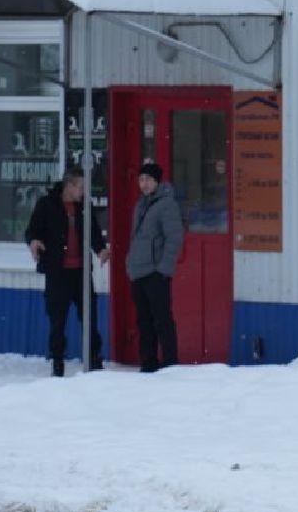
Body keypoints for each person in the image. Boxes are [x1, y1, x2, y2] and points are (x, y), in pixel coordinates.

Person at [24, 165, 109, 377]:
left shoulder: (84, 206)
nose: (83, 191)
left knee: (89, 318)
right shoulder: (47, 204)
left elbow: (94, 232)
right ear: (69, 186)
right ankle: (57, 361)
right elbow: (32, 230)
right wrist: (34, 241)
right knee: (57, 321)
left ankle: (94, 358)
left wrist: (100, 250)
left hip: (81, 273)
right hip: (58, 273)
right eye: (80, 187)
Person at [126, 160, 184, 373]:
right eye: (141, 179)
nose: (144, 184)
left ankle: (170, 363)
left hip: (156, 273)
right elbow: (137, 238)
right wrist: (130, 264)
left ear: (157, 181)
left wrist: (164, 269)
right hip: (138, 272)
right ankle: (148, 363)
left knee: (162, 320)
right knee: (144, 321)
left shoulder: (166, 204)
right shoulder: (140, 205)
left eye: (148, 179)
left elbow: (174, 238)